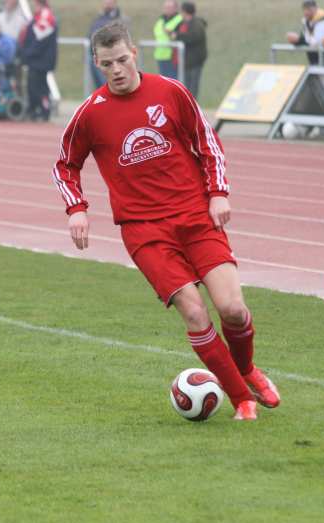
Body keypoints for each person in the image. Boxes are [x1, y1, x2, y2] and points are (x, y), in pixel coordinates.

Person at [52, 21, 281, 421]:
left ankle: (245, 369)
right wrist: (77, 209)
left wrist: (218, 193)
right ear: (97, 64)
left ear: (134, 53)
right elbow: (65, 164)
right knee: (194, 313)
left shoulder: (171, 92)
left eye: (121, 60)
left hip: (194, 216)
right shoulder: (90, 113)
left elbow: (208, 143)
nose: (116, 70)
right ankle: (242, 400)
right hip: (144, 231)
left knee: (232, 309)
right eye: (107, 64)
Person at [20, 0, 58, 122]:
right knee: (33, 86)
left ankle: (43, 111)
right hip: (36, 60)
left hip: (41, 60)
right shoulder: (38, 16)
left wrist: (27, 53)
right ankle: (35, 110)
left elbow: (39, 40)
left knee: (39, 87)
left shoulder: (46, 16)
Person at [171, 2, 207, 99]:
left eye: (181, 10)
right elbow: (175, 31)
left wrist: (178, 36)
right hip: (184, 61)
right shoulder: (182, 23)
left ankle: (192, 105)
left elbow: (193, 37)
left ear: (185, 11)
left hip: (194, 61)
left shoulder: (197, 24)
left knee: (192, 87)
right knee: (185, 86)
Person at [88, 0, 125, 89]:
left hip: (108, 58)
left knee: (108, 86)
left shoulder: (119, 19)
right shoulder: (99, 18)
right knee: (100, 88)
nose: (106, 2)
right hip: (95, 56)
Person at [286, 0, 324, 65]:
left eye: (309, 9)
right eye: (305, 9)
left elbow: (317, 42)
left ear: (316, 9)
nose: (306, 12)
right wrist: (296, 41)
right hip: (314, 60)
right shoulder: (307, 22)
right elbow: (307, 39)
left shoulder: (323, 21)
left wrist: (299, 39)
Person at [153, 0, 183, 78]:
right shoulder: (161, 20)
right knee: (163, 81)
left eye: (170, 7)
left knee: (173, 80)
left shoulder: (179, 20)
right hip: (160, 55)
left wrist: (171, 33)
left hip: (172, 56)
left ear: (176, 8)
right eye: (166, 7)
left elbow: (180, 36)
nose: (167, 9)